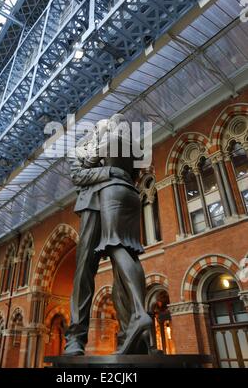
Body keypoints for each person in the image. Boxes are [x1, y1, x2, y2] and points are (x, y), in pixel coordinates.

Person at [64, 114, 152, 355]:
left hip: (115, 198)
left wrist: (112, 170)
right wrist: (110, 172)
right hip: (92, 205)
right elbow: (76, 176)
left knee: (123, 260)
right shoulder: (82, 148)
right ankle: (75, 339)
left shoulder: (123, 143)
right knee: (85, 270)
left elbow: (133, 173)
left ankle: (131, 334)